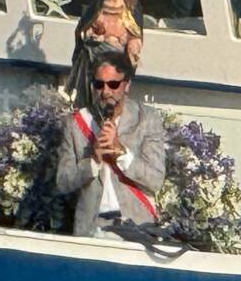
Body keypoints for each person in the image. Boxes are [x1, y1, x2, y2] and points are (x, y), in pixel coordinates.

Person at [56, 52, 166, 238]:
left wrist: (121, 153)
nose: (106, 92)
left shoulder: (147, 119)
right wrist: (93, 160)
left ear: (127, 84)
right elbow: (63, 183)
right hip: (92, 228)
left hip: (136, 226)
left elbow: (155, 180)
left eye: (113, 84)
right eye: (99, 84)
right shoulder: (75, 123)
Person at [66, 0, 145, 109]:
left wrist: (130, 46)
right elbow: (82, 30)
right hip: (92, 64)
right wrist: (91, 36)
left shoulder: (131, 8)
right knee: (89, 103)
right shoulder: (97, 6)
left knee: (111, 102)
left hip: (115, 66)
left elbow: (135, 35)